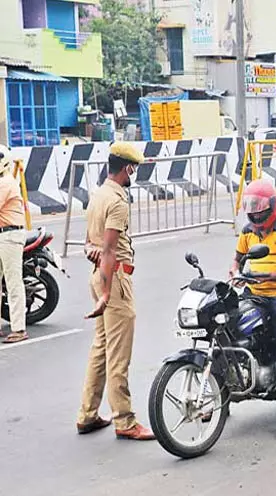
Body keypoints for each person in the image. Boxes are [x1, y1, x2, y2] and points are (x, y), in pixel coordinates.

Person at [77, 142, 153, 440]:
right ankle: (125, 420)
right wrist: (109, 294)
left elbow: (89, 243)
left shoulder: (99, 194)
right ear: (128, 168)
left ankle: (88, 414)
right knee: (119, 354)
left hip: (99, 275)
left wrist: (93, 255)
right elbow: (109, 250)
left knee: (101, 348)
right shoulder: (118, 201)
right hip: (115, 279)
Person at [231, 180, 276, 441]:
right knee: (227, 333)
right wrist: (235, 272)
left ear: (273, 206)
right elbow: (238, 259)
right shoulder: (248, 231)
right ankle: (221, 401)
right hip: (252, 294)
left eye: (260, 207)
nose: (255, 212)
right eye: (251, 207)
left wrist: (269, 277)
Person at [0, 144, 28, 344]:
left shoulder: (6, 183)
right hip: (3, 235)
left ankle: (18, 328)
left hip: (10, 236)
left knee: (13, 283)